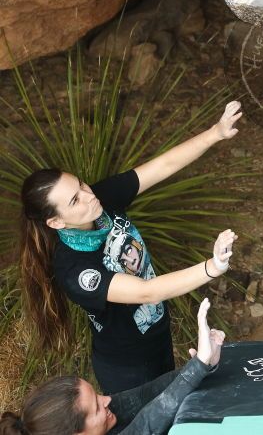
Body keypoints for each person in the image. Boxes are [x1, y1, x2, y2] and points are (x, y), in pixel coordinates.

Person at [19, 101, 242, 394]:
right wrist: (212, 267)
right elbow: (146, 291)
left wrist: (216, 132)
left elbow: (161, 167)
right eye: (74, 201)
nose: (87, 196)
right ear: (56, 223)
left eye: (81, 186)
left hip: (157, 331)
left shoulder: (99, 201)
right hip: (127, 364)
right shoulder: (75, 269)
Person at [0, 298, 224, 435]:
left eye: (97, 395)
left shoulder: (103, 415)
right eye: (97, 407)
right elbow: (146, 427)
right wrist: (197, 368)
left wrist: (203, 365)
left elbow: (151, 394)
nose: (107, 400)